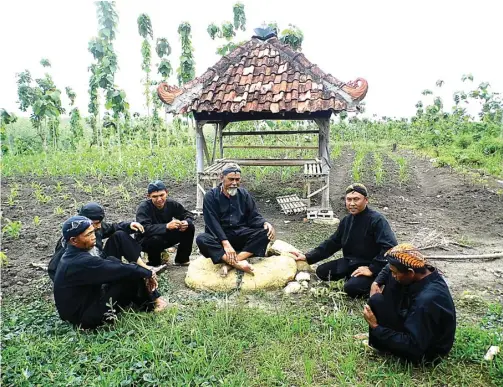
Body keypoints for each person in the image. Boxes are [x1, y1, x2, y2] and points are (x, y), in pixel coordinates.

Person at [53, 216, 168, 329]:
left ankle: (147, 299)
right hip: (84, 319)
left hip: (85, 304)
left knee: (116, 263)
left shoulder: (72, 254)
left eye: (93, 232)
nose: (93, 237)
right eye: (88, 235)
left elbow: (111, 265)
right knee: (129, 274)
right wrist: (148, 273)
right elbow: (121, 270)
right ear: (74, 240)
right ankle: (149, 305)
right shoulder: (80, 261)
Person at [291, 183, 397, 297]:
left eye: (356, 199)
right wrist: (308, 257)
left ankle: (377, 281)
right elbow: (333, 242)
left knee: (351, 288)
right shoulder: (347, 220)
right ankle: (353, 276)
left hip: (370, 264)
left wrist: (372, 269)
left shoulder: (377, 220)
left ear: (366, 200)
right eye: (349, 199)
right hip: (351, 262)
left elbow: (390, 247)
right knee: (322, 272)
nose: (352, 203)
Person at [363, 243, 456, 362]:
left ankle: (380, 345)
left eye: (395, 272)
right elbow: (389, 267)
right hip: (420, 331)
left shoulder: (426, 301)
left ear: (411, 273)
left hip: (426, 352)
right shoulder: (425, 271)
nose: (393, 275)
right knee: (379, 297)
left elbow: (414, 346)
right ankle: (379, 340)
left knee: (376, 301)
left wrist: (376, 328)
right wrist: (377, 282)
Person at [196, 162, 275, 276]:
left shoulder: (244, 194)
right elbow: (212, 223)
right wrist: (225, 243)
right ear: (221, 178)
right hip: (220, 237)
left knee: (266, 232)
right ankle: (238, 263)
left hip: (240, 234)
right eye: (231, 179)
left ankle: (232, 262)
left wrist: (265, 223)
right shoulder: (211, 196)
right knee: (202, 239)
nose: (234, 183)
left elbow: (254, 216)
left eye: (237, 180)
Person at [48, 202, 151, 281]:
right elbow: (54, 269)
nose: (99, 226)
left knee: (119, 235)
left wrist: (128, 225)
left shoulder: (96, 227)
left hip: (100, 262)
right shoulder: (70, 241)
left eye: (100, 222)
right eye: (95, 223)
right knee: (124, 272)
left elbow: (112, 228)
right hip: (89, 272)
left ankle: (144, 268)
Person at [136, 180, 195, 267]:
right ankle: (154, 264)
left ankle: (182, 259)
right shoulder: (144, 208)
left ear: (166, 193)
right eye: (155, 196)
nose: (159, 199)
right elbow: (144, 228)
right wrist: (166, 226)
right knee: (155, 239)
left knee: (189, 227)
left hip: (165, 235)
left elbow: (187, 214)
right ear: (148, 196)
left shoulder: (171, 204)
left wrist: (186, 222)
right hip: (146, 239)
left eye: (162, 195)